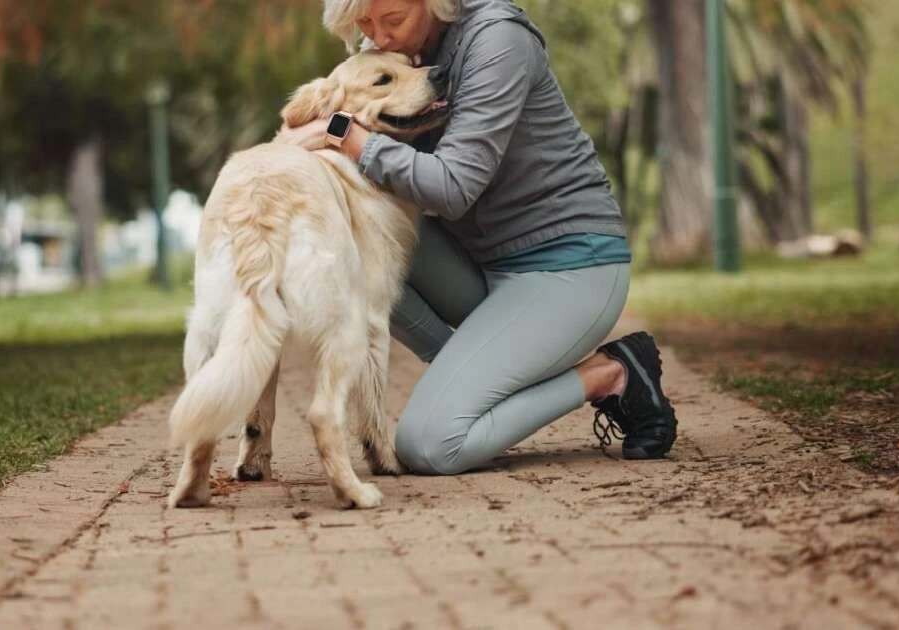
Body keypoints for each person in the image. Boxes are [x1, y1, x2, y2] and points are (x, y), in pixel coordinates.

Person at [277, 0, 678, 475]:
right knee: (352, 239)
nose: (378, 39)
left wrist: (346, 134)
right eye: (364, 24)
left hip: (568, 266)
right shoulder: (390, 52)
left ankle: (610, 374)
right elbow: (309, 132)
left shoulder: (497, 41)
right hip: (481, 264)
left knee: (429, 444)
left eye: (394, 20)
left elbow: (452, 186)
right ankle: (475, 370)